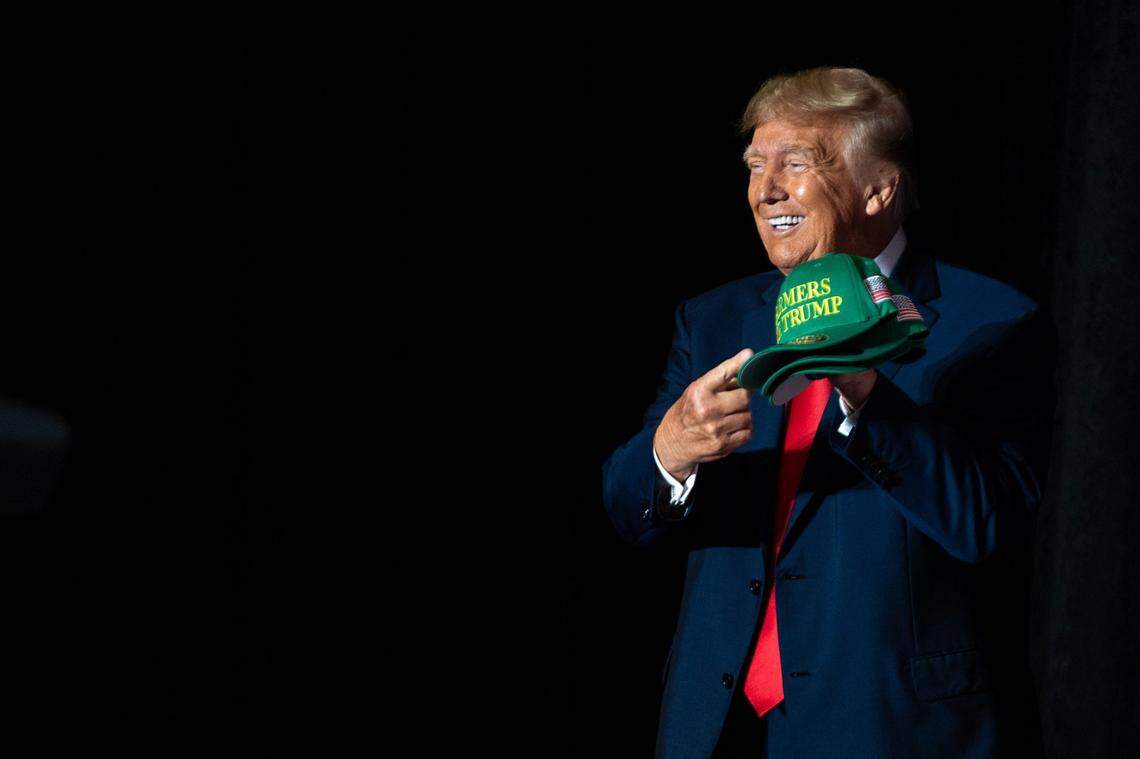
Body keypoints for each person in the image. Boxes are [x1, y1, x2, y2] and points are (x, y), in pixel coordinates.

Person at [600, 66, 1055, 758]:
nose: (765, 189)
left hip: (886, 730)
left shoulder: (993, 323)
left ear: (879, 189)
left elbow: (986, 524)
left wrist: (866, 390)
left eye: (796, 163)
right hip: (716, 730)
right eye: (755, 165)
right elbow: (622, 503)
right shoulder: (714, 319)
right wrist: (671, 450)